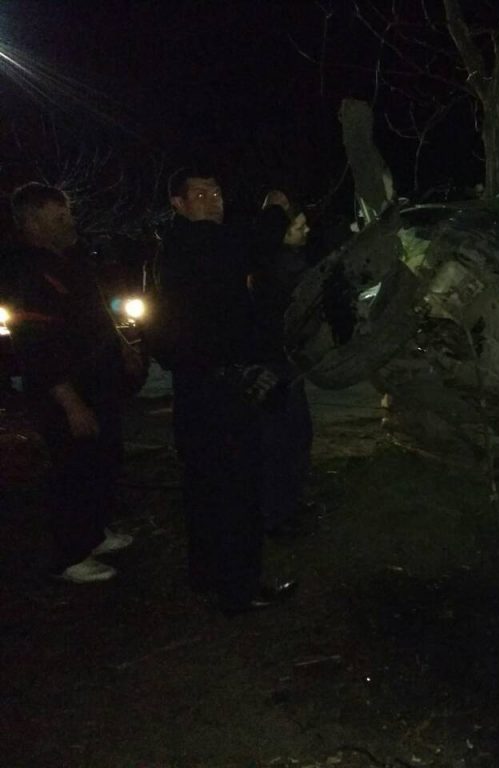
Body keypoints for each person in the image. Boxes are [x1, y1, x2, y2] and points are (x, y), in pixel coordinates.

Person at [151, 167, 294, 614]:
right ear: (178, 203)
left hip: (199, 388)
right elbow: (254, 243)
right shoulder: (197, 244)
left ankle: (208, 574)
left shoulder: (179, 248)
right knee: (236, 487)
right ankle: (239, 588)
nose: (214, 198)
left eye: (216, 190)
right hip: (221, 390)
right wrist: (276, 211)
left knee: (206, 485)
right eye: (200, 193)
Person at [5, 183, 143, 583]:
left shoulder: (72, 260)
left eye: (67, 213)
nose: (70, 222)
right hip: (64, 393)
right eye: (59, 217)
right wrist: (70, 402)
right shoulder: (25, 271)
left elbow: (98, 311)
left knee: (103, 459)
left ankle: (93, 533)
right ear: (32, 222)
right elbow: (35, 346)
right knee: (73, 469)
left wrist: (123, 347)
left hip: (99, 381)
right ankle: (69, 554)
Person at [249, 197, 317, 538]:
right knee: (276, 443)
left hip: (288, 365)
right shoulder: (266, 272)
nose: (306, 231)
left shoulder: (293, 263)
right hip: (273, 367)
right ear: (281, 233)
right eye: (298, 228)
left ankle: (289, 505)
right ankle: (274, 516)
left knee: (297, 436)